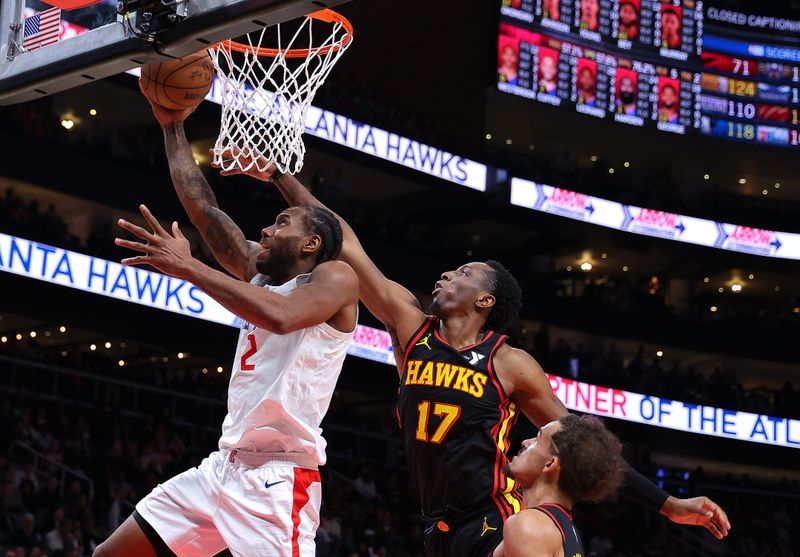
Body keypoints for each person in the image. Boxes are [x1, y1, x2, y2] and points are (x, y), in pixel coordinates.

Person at [216, 152, 731, 557]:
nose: (445, 275)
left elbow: (585, 446)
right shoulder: (410, 328)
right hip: (433, 524)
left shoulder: (509, 362)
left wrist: (667, 504)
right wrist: (280, 175)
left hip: (492, 519)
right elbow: (346, 241)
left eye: (462, 274)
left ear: (485, 300)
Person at [93, 85, 360, 557]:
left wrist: (188, 267)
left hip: (277, 478)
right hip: (222, 467)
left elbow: (281, 318)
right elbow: (203, 210)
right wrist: (172, 125)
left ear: (311, 245)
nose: (265, 229)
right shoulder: (259, 274)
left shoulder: (336, 279)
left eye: (281, 223)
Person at [492, 415, 626, 557]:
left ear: (549, 464)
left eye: (537, 440)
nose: (525, 442)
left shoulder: (529, 526)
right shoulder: (564, 531)